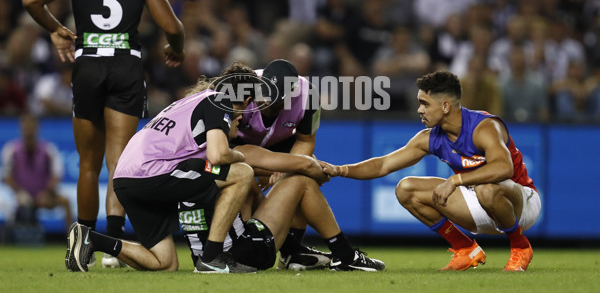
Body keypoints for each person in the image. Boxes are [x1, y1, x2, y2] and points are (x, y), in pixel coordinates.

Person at [22, 0, 185, 268]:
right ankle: (110, 245)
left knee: (87, 165)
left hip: (89, 64)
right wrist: (177, 49)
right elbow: (172, 26)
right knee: (120, 163)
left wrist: (56, 30)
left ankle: (79, 242)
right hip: (126, 65)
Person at [322, 71, 541, 272]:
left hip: (521, 204)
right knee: (406, 189)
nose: (419, 110)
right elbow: (383, 165)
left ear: (445, 106)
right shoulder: (430, 138)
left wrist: (456, 180)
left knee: (487, 189)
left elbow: (504, 168)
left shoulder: (484, 126)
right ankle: (465, 248)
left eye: (424, 104)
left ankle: (520, 247)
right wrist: (340, 170)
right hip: (480, 201)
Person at [64, 63, 256, 273]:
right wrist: (240, 156)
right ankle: (211, 258)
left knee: (164, 263)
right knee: (242, 173)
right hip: (152, 173)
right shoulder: (220, 100)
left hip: (125, 179)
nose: (242, 117)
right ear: (246, 99)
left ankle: (91, 239)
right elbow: (218, 155)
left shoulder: (191, 101)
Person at [179, 148, 386, 272]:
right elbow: (307, 165)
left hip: (202, 256)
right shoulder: (233, 153)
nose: (238, 119)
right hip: (240, 255)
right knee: (302, 180)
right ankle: (345, 256)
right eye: (233, 119)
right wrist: (326, 172)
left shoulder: (184, 165)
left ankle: (292, 251)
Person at [232, 58, 330, 270]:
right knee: (242, 180)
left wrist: (284, 168)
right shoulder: (242, 85)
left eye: (275, 100)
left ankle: (290, 253)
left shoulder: (309, 96)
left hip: (281, 142)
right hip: (239, 143)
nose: (266, 103)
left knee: (303, 174)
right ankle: (241, 245)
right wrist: (264, 168)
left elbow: (305, 140)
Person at [1, 114, 73, 230]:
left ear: (37, 128)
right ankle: (11, 236)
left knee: (65, 201)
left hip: (43, 196)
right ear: (21, 128)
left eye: (31, 127)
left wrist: (47, 192)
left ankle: (72, 239)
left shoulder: (48, 150)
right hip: (20, 197)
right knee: (11, 203)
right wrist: (19, 192)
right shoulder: (11, 150)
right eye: (26, 126)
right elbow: (7, 177)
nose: (29, 130)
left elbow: (56, 175)